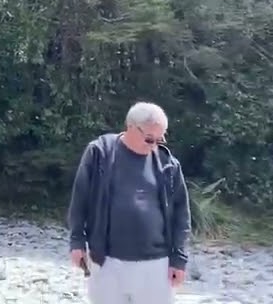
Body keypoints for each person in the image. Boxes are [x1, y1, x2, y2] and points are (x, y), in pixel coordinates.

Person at [67, 102, 192, 304]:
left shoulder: (169, 164)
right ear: (131, 127)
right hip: (106, 261)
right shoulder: (100, 152)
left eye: (159, 140)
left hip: (156, 265)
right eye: (149, 139)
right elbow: (80, 198)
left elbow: (181, 215)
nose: (154, 145)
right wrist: (77, 241)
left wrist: (179, 260)